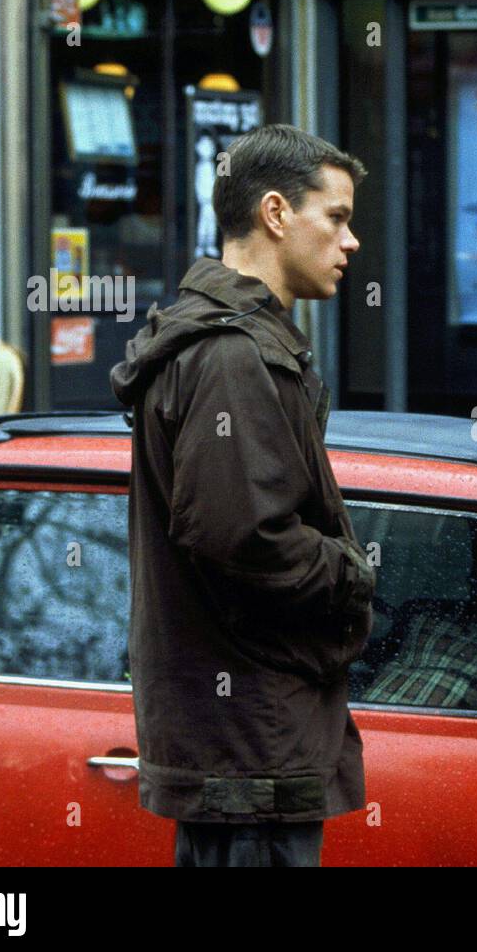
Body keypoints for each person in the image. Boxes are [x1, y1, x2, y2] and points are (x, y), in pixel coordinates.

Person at [109, 124, 375, 867]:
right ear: (276, 214)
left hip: (245, 748)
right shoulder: (230, 355)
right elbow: (243, 538)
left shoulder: (234, 343)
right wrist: (354, 574)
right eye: (338, 216)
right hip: (247, 750)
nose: (351, 242)